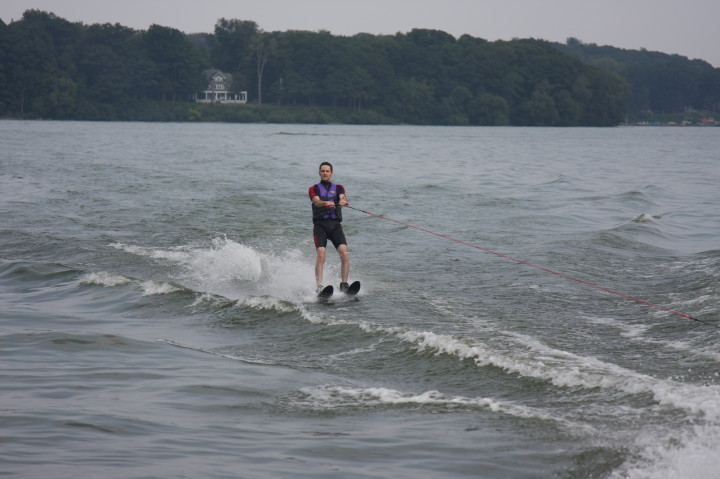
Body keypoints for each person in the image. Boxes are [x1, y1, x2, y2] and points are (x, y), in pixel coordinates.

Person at [309, 161, 351, 292]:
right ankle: (319, 287)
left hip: (335, 226)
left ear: (331, 173)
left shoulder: (339, 187)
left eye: (327, 171)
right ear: (319, 173)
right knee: (321, 254)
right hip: (320, 226)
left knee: (344, 253)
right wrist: (325, 202)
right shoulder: (313, 188)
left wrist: (343, 201)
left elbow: (342, 197)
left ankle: (344, 285)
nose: (325, 173)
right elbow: (316, 201)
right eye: (323, 171)